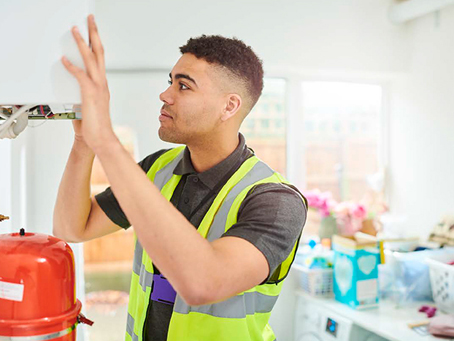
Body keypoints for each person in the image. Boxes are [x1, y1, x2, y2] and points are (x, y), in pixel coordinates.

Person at [53, 14, 307, 341]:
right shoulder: (158, 169)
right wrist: (84, 143)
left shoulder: (276, 201)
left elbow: (205, 283)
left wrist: (106, 139)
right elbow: (71, 228)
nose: (165, 95)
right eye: (170, 81)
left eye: (183, 85)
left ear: (229, 107)